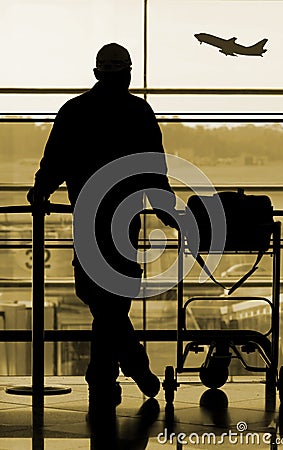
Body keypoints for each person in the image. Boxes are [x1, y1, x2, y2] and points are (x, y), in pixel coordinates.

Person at [27, 43, 178, 417]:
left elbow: (55, 160)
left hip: (89, 217)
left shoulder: (75, 111)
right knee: (115, 299)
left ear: (96, 74)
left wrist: (41, 190)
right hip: (124, 219)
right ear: (128, 74)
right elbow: (153, 169)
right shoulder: (139, 113)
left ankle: (110, 374)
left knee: (96, 296)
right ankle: (118, 371)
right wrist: (165, 209)